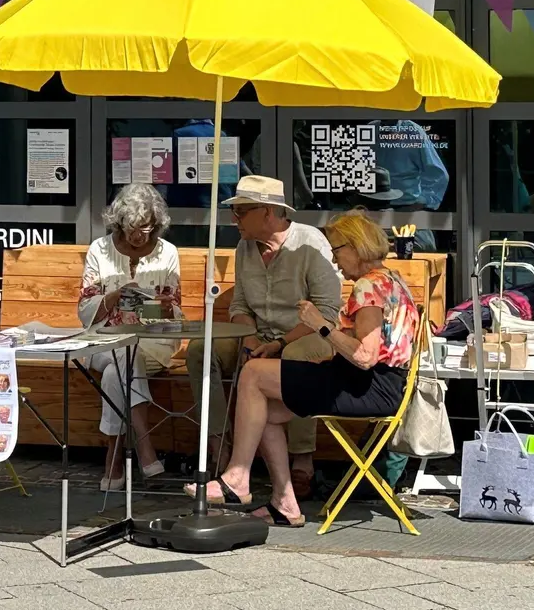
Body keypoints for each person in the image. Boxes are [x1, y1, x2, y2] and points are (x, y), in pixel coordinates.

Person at [206, 211, 421, 527]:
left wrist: (320, 325)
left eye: (336, 252)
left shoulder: (367, 288)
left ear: (354, 246)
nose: (335, 262)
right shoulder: (392, 280)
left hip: (366, 386)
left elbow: (365, 356)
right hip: (382, 386)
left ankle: (238, 475)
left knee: (253, 373)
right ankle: (284, 502)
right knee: (262, 408)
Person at [187, 175, 341, 501]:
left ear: (267, 213)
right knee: (202, 350)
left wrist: (281, 344)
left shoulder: (310, 244)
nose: (234, 219)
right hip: (257, 335)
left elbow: (326, 312)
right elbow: (240, 304)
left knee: (296, 358)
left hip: (307, 334)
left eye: (241, 212)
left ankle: (303, 460)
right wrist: (250, 340)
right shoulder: (245, 247)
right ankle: (219, 443)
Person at [77, 183, 182, 490]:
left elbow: (175, 316)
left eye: (146, 228)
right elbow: (85, 312)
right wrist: (114, 296)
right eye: (132, 227)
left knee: (119, 367)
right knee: (123, 354)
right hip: (103, 342)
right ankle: (145, 448)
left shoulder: (168, 253)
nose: (139, 236)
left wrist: (164, 308)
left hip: (153, 343)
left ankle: (114, 456)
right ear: (119, 221)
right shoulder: (99, 249)